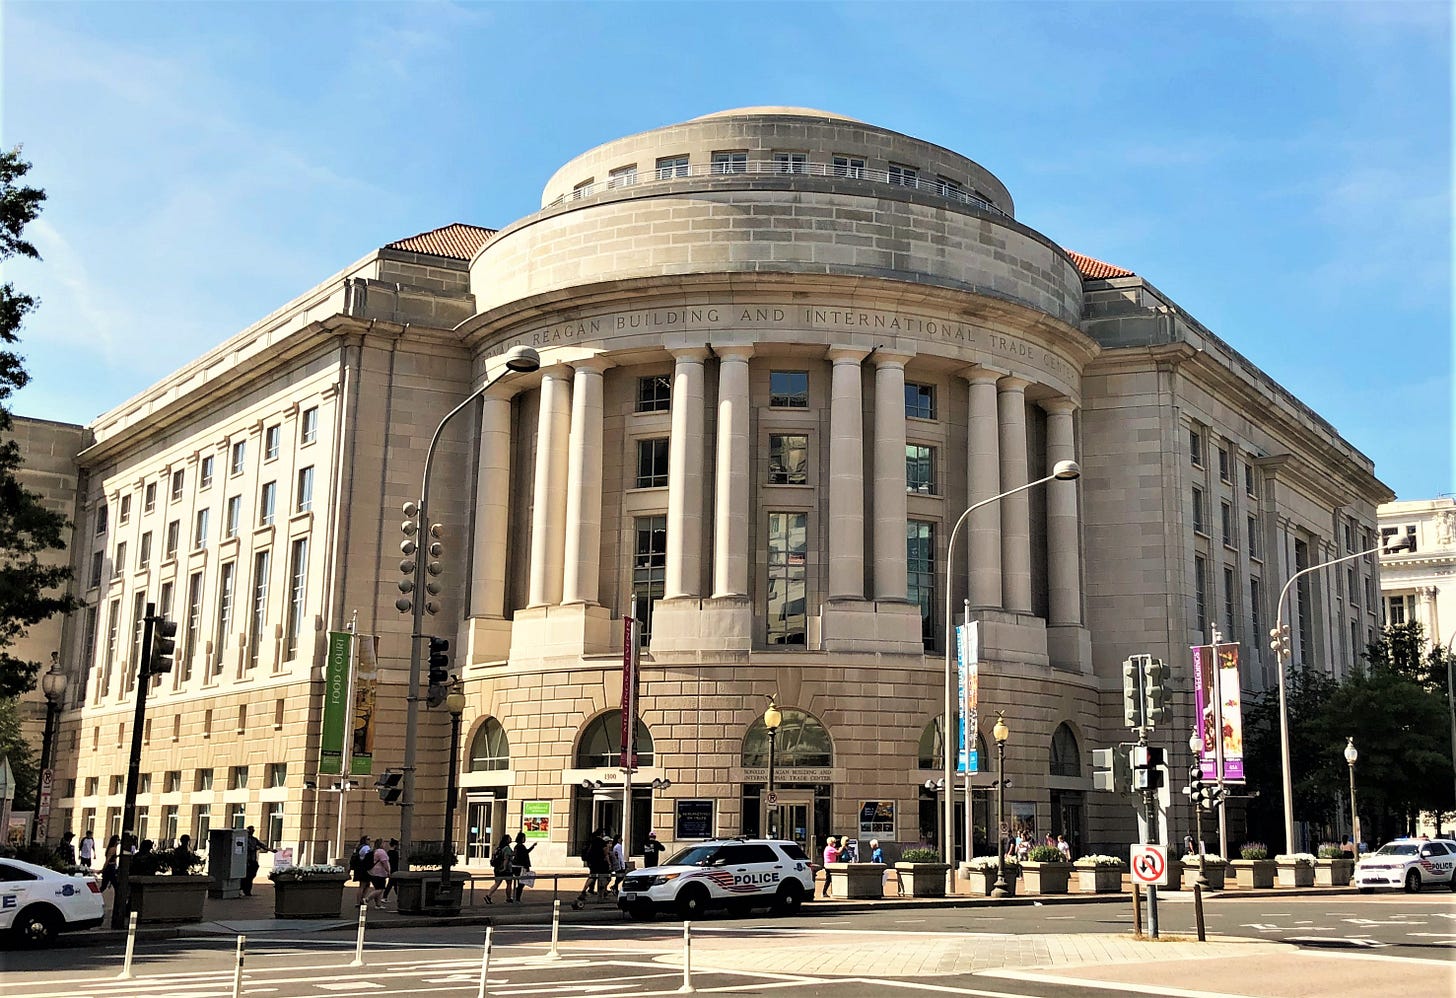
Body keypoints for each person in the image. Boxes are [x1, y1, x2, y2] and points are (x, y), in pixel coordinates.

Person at [241, 826, 272, 897]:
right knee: (246, 876)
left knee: (251, 875)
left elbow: (262, 845)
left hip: (253, 860)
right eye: (251, 830)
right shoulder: (245, 839)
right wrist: (255, 848)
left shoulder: (254, 839)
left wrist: (270, 850)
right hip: (246, 861)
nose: (252, 832)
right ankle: (245, 890)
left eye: (253, 830)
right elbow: (249, 848)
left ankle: (247, 890)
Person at [362, 838, 391, 908]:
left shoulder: (375, 851)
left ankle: (378, 904)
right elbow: (385, 863)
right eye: (383, 843)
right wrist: (388, 871)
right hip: (379, 873)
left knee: (377, 888)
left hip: (373, 872)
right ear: (381, 844)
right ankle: (367, 899)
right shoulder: (381, 852)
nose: (385, 844)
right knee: (380, 889)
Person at [485, 834, 514, 904]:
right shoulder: (507, 848)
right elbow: (506, 859)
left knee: (497, 883)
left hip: (497, 868)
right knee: (509, 883)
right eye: (510, 838)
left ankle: (488, 895)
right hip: (506, 869)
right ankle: (508, 898)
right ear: (507, 840)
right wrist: (504, 867)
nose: (511, 839)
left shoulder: (500, 848)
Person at [511, 831, 535, 903]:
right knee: (521, 883)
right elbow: (525, 854)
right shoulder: (521, 846)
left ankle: (516, 896)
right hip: (521, 867)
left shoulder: (517, 846)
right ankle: (517, 898)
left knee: (520, 882)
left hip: (516, 867)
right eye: (524, 838)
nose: (525, 839)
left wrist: (532, 847)